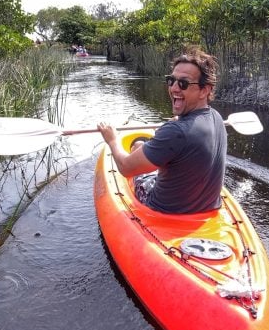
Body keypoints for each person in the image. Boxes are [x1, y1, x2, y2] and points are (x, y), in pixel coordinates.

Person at [97, 47, 227, 214]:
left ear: (205, 90)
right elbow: (185, 133)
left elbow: (125, 168)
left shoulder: (176, 132)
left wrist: (112, 140)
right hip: (207, 206)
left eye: (184, 83)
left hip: (164, 209)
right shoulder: (216, 117)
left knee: (137, 145)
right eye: (171, 80)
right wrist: (178, 123)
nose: (174, 88)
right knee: (146, 148)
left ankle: (138, 149)